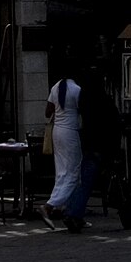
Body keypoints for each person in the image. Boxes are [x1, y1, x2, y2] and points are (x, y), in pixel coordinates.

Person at [66, 69, 131, 233]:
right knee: (119, 184)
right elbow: (113, 125)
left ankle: (73, 214)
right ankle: (130, 219)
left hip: (90, 146)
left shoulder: (85, 101)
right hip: (105, 148)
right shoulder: (104, 101)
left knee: (85, 184)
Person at [40, 67, 83, 230]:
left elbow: (47, 112)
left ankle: (65, 207)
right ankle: (51, 205)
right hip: (70, 131)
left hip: (57, 131)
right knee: (74, 172)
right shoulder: (77, 90)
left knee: (62, 170)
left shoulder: (55, 87)